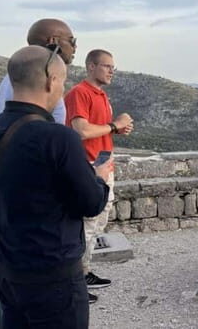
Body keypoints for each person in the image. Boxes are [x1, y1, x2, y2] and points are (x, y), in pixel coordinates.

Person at [0, 45, 110, 328]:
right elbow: (91, 203)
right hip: (53, 275)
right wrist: (99, 177)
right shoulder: (59, 138)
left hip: (7, 270)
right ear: (50, 80)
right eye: (62, 80)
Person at [0, 18, 77, 200]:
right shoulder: (34, 83)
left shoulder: (14, 79)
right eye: (71, 41)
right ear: (53, 41)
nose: (75, 47)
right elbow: (9, 134)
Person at [65, 49, 133, 301]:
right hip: (89, 167)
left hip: (104, 165)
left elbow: (97, 130)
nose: (111, 71)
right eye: (107, 66)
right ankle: (73, 281)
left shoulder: (101, 95)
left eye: (113, 67)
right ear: (91, 66)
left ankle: (83, 273)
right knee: (86, 225)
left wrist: (116, 129)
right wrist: (114, 125)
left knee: (97, 224)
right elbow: (81, 130)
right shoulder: (79, 93)